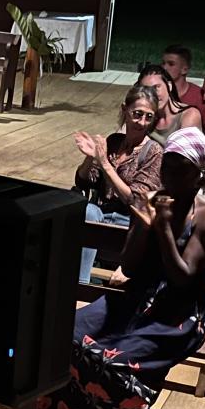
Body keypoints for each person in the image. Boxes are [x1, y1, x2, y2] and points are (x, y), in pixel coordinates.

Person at [36, 128, 205, 409]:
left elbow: (184, 279)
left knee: (113, 361)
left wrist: (165, 229)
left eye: (180, 168)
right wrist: (142, 226)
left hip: (180, 313)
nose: (170, 174)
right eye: (167, 165)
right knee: (67, 334)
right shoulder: (153, 198)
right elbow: (130, 266)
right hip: (138, 299)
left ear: (198, 172)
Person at [74, 84, 165, 283]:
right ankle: (81, 284)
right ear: (125, 110)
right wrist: (90, 158)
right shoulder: (114, 141)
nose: (142, 122)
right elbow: (83, 181)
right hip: (101, 215)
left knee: (90, 216)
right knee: (87, 211)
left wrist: (105, 163)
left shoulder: (153, 151)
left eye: (148, 117)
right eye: (137, 114)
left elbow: (135, 199)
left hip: (129, 222)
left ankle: (81, 287)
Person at [161, 44, 205, 143]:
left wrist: (194, 147)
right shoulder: (159, 94)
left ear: (184, 69)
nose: (164, 68)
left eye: (171, 64)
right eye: (163, 63)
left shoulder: (199, 96)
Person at [138, 64, 200, 146]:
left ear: (169, 86)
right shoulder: (145, 116)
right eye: (146, 90)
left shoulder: (189, 115)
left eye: (156, 87)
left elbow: (182, 155)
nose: (152, 94)